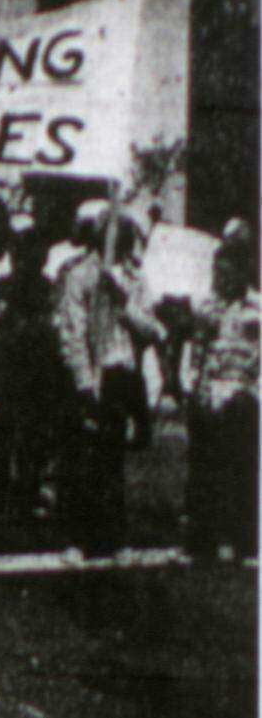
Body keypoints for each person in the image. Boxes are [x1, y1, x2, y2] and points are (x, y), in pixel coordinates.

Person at [54, 205, 163, 557]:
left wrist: (124, 305)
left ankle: (113, 536)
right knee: (84, 457)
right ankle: (77, 537)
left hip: (123, 375)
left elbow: (152, 331)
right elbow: (73, 332)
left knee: (112, 458)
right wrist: (84, 381)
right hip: (92, 374)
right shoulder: (81, 275)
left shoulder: (134, 279)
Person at [177, 219, 259, 561]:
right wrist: (190, 389)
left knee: (240, 469)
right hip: (209, 394)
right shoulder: (206, 308)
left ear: (242, 273)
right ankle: (201, 539)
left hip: (242, 396)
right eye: (217, 273)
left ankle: (243, 539)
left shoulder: (257, 310)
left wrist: (251, 395)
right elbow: (193, 355)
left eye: (227, 274)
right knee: (203, 469)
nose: (221, 281)